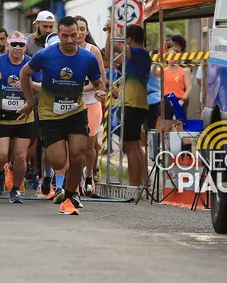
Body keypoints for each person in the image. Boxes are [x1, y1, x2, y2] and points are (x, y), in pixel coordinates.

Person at [21, 16, 103, 215]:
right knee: (59, 161)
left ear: (79, 34)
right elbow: (25, 73)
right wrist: (30, 101)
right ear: (58, 35)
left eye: (73, 35)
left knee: (78, 155)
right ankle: (67, 185)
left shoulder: (87, 57)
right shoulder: (45, 55)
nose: (69, 40)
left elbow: (98, 82)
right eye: (64, 36)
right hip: (50, 114)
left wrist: (96, 90)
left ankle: (70, 195)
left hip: (76, 111)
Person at [0, 32, 41, 203]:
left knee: (20, 155)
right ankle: (0, 172)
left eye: (21, 44)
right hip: (2, 115)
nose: (17, 48)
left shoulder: (31, 63)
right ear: (8, 45)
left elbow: (42, 87)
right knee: (2, 155)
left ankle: (16, 189)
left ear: (25, 47)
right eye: (14, 44)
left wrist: (28, 83)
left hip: (24, 115)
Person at [109, 24, 152, 187]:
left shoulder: (140, 53)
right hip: (133, 104)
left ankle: (134, 185)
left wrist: (113, 31)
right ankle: (142, 183)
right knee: (133, 144)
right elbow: (110, 54)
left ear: (129, 39)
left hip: (133, 104)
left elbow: (117, 47)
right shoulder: (133, 58)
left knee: (129, 146)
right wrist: (109, 35)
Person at [74, 16, 107, 196]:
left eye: (82, 29)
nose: (79, 32)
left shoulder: (93, 51)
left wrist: (82, 88)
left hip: (91, 103)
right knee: (74, 147)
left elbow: (101, 81)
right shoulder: (67, 51)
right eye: (76, 29)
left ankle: (89, 176)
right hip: (71, 104)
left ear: (87, 31)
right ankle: (75, 180)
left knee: (89, 147)